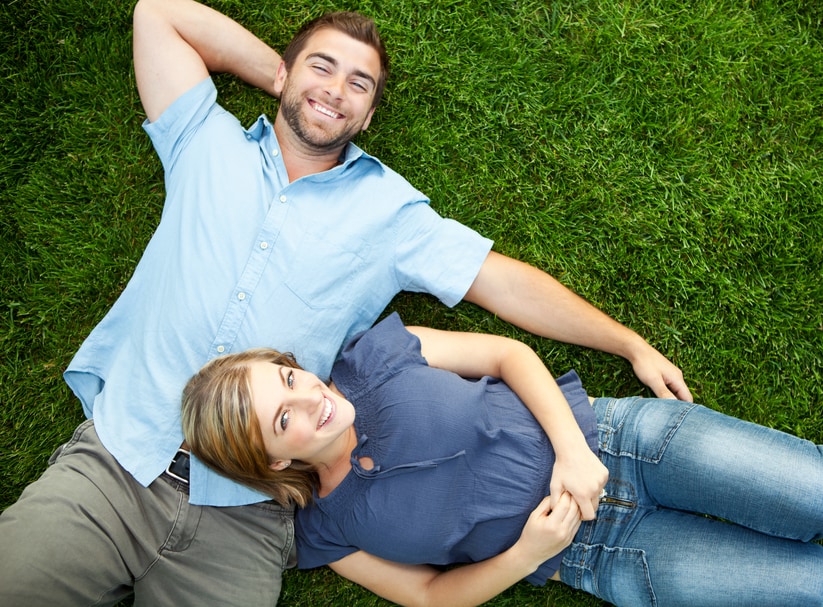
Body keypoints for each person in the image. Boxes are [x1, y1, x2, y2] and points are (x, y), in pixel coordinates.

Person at [0, 0, 690, 605]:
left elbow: (499, 281)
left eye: (357, 84)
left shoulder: (388, 209)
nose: (335, 91)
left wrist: (626, 342)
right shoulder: (203, 144)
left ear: (370, 111)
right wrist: (286, 74)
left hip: (246, 513)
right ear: (284, 73)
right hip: (120, 461)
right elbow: (159, 14)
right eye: (320, 67)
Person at [182, 312, 823, 607]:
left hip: (626, 442)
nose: (309, 398)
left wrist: (573, 450)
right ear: (266, 462)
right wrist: (528, 553)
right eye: (283, 418)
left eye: (289, 380)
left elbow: (504, 356)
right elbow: (430, 597)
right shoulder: (326, 528)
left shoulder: (370, 361)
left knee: (811, 493)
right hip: (603, 557)